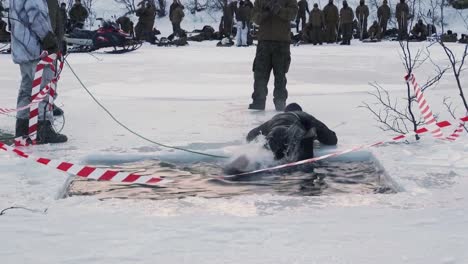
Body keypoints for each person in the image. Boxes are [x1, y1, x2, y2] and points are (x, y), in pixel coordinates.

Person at [9, 0, 67, 144]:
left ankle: (22, 128)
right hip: (37, 49)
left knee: (27, 90)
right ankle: (43, 129)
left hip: (24, 49)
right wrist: (49, 40)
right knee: (43, 89)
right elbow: (36, 15)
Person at [227, 103, 337, 173]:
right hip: (293, 134)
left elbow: (251, 135)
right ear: (300, 111)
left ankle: (239, 166)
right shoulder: (304, 116)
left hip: (274, 135)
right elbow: (331, 140)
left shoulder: (274, 119)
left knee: (266, 155)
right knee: (303, 166)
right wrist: (316, 136)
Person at [249, 0, 298, 111]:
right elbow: (254, 18)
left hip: (281, 43)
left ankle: (280, 102)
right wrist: (265, 13)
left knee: (280, 75)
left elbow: (293, 14)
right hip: (264, 42)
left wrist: (279, 10)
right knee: (260, 74)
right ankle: (258, 101)